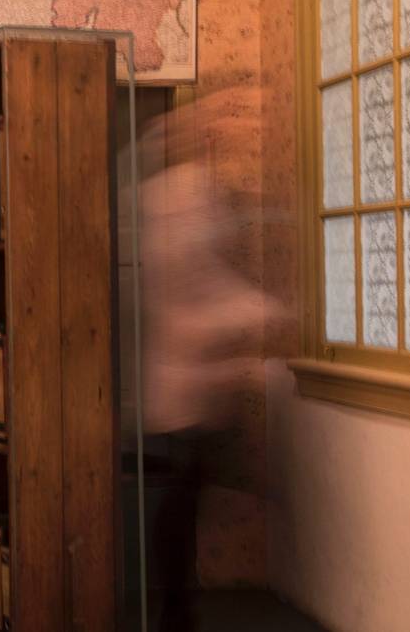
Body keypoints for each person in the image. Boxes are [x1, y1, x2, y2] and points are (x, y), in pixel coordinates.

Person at [138, 108, 270, 631]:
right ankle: (175, 608)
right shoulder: (183, 199)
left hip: (186, 380)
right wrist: (256, 310)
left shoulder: (167, 198)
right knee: (183, 496)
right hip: (187, 381)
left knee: (187, 494)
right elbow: (198, 286)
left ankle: (177, 606)